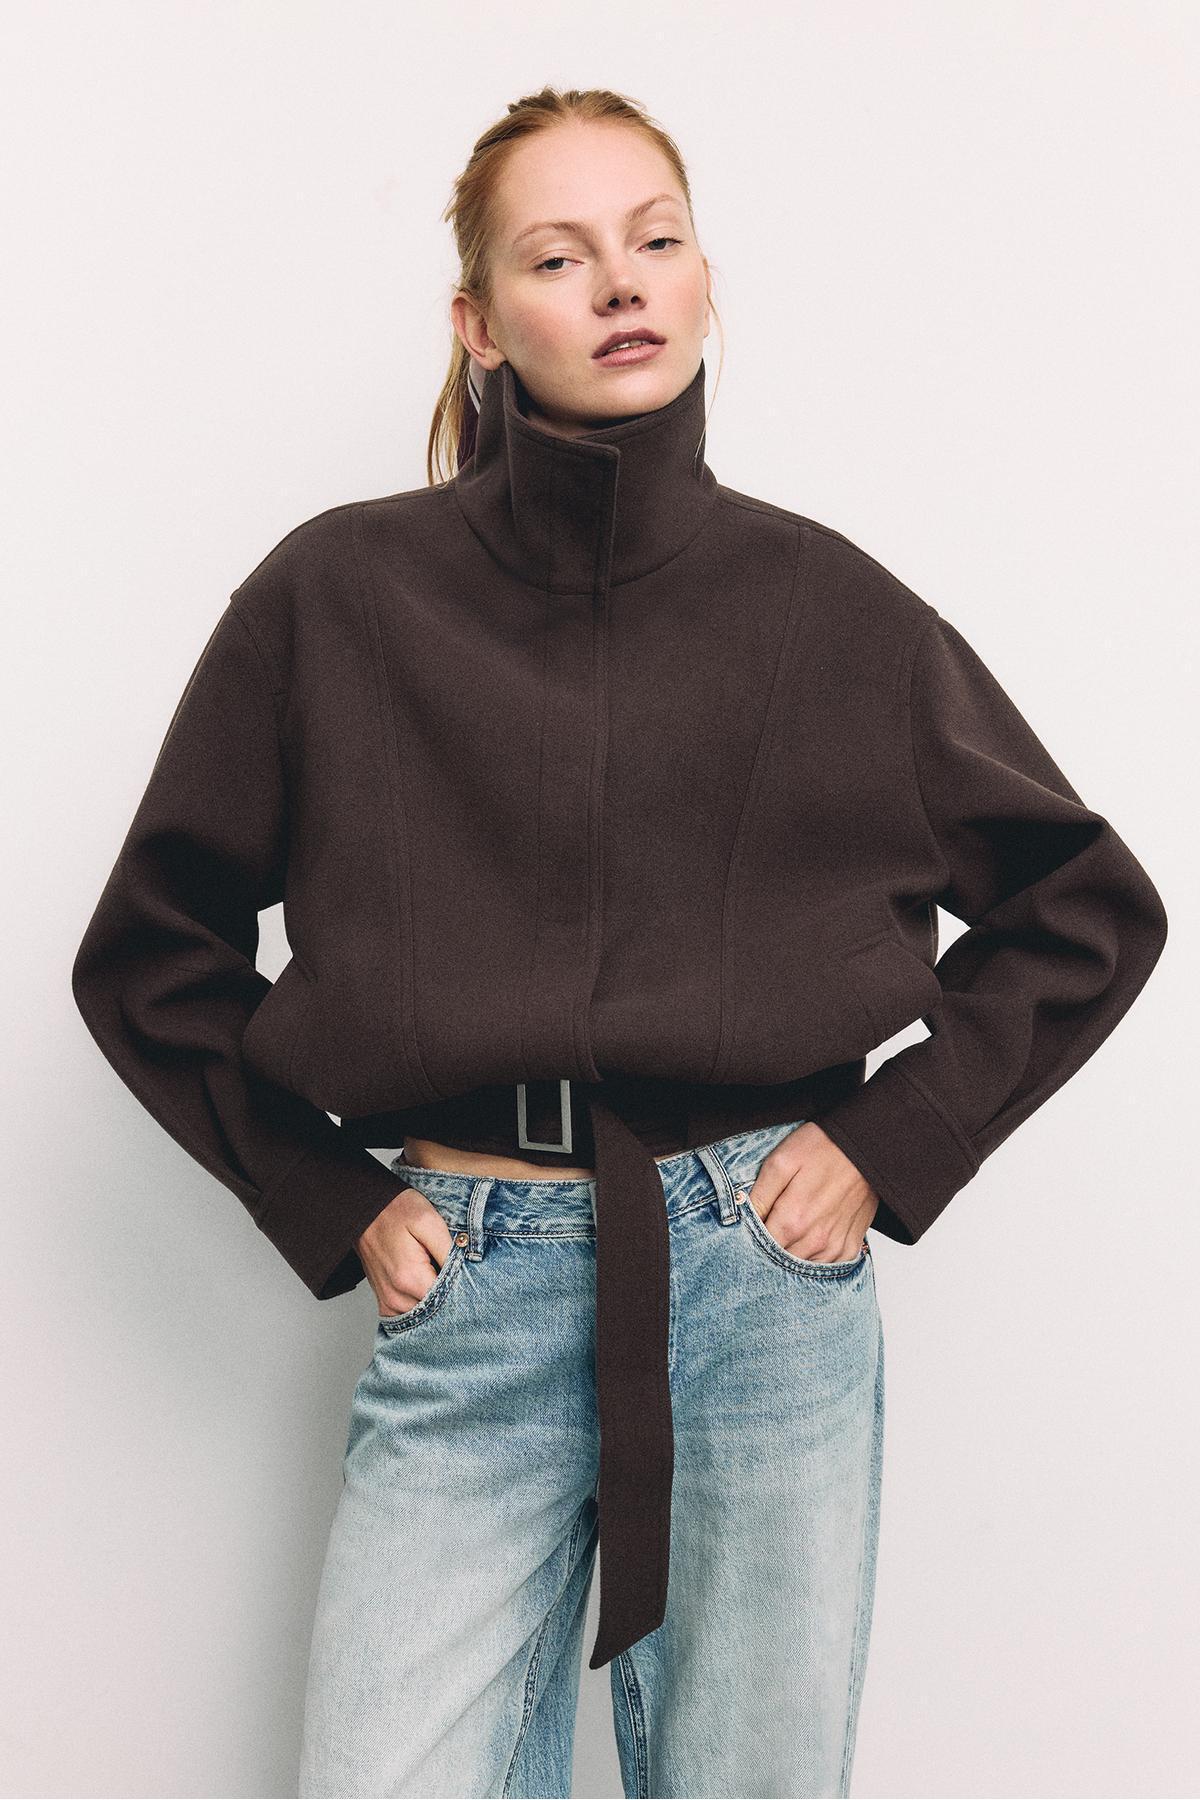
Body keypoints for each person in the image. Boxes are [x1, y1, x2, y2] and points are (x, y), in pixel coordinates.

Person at [70, 85, 1169, 1800]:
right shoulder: (332, 599)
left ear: (707, 275)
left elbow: (1085, 903)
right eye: (558, 255)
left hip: (760, 1286)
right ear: (477, 321)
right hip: (471, 1279)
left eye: (657, 238)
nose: (621, 281)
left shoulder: (832, 609)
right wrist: (321, 1190)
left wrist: (889, 1143)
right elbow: (151, 954)